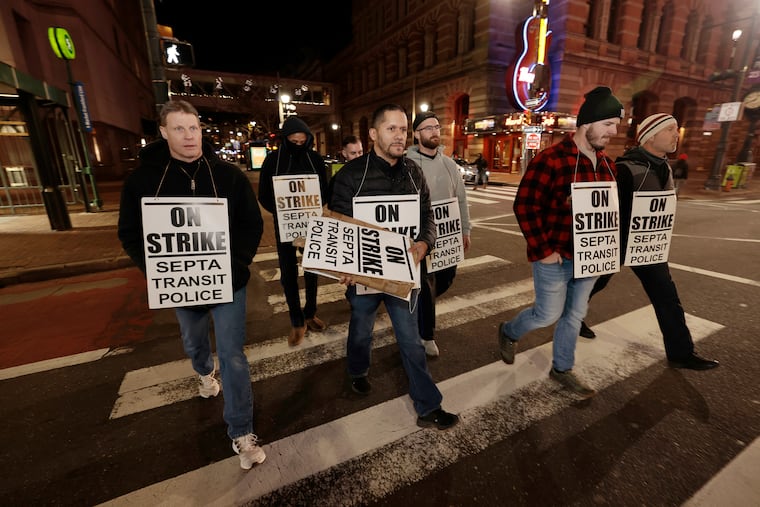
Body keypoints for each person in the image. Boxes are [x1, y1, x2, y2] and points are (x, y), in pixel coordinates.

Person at [117, 100, 266, 470]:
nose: (189, 136)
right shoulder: (142, 181)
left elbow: (252, 225)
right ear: (164, 132)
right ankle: (202, 372)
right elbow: (131, 234)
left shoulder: (228, 176)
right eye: (180, 128)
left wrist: (237, 263)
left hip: (229, 280)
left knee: (233, 354)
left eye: (194, 127)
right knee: (193, 341)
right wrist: (155, 269)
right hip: (183, 283)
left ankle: (242, 432)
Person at [329, 103, 459, 430]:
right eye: (392, 129)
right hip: (364, 276)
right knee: (361, 329)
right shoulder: (349, 176)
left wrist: (424, 244)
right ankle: (357, 370)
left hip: (404, 272)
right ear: (373, 134)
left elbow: (427, 216)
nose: (400, 136)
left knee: (411, 340)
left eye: (403, 129)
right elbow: (339, 226)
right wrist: (344, 264)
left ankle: (428, 405)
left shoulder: (414, 173)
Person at [497, 86, 624, 399]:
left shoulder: (608, 165)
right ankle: (509, 330)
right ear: (587, 123)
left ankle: (562, 368)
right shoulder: (550, 160)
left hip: (589, 260)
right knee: (547, 314)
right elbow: (524, 205)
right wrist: (544, 250)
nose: (614, 131)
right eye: (608, 124)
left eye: (615, 125)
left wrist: (608, 251)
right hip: (555, 257)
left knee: (574, 315)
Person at [579, 114, 719, 370]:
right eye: (670, 130)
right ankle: (573, 317)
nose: (676, 134)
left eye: (676, 129)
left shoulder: (664, 165)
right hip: (619, 244)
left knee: (667, 297)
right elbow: (605, 209)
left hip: (647, 247)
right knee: (591, 286)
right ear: (650, 136)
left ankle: (681, 353)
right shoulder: (625, 168)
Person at [258, 116, 329, 346]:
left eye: (302, 141)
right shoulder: (272, 162)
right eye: (294, 141)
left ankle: (310, 313)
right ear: (285, 139)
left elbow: (324, 191)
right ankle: (297, 321)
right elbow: (264, 195)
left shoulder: (315, 159)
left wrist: (317, 209)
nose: (298, 145)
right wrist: (281, 212)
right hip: (284, 226)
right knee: (288, 275)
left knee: (312, 271)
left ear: (308, 140)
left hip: (311, 226)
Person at [408, 111, 472, 357]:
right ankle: (426, 335)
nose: (434, 131)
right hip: (421, 236)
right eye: (427, 128)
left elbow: (462, 199)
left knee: (444, 280)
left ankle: (417, 308)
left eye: (436, 126)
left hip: (448, 236)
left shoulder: (449, 164)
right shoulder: (407, 163)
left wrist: (465, 229)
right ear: (416, 134)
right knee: (426, 283)